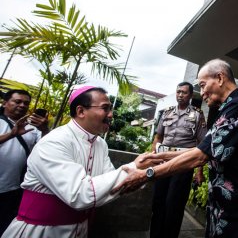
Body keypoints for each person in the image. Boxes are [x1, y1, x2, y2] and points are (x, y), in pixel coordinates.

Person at [113, 59, 238, 238]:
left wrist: (145, 174)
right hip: (231, 207)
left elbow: (200, 156)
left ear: (219, 78)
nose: (201, 93)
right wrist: (156, 157)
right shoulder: (229, 109)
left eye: (202, 85)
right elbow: (206, 148)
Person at [1, 86, 158, 238]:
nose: (111, 115)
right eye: (105, 108)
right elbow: (79, 194)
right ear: (81, 111)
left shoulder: (100, 144)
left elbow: (111, 184)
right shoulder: (55, 141)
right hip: (41, 230)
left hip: (80, 229)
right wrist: (135, 167)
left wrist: (143, 173)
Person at [150, 81, 207, 238]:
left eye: (184, 92)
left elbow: (202, 145)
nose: (180, 95)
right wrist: (152, 156)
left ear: (190, 95)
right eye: (178, 92)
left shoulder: (197, 114)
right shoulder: (167, 112)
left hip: (183, 163)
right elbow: (158, 137)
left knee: (174, 203)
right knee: (158, 200)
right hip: (163, 162)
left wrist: (199, 172)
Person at [0, 89, 49, 236]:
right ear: (4, 103)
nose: (22, 105)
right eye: (17, 101)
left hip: (12, 188)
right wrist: (11, 134)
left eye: (26, 103)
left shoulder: (32, 128)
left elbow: (46, 150)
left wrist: (45, 129)